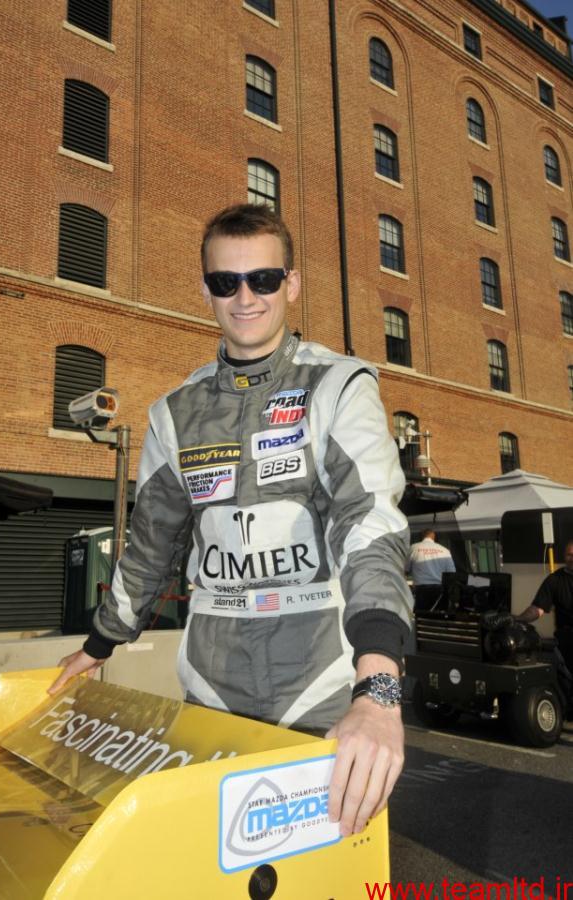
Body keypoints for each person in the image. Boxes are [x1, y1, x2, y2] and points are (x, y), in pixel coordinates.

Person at [49, 203, 413, 837]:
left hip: (321, 692)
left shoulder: (339, 387)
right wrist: (100, 642)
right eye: (226, 282)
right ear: (206, 291)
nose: (245, 297)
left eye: (264, 279)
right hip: (213, 697)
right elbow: (148, 546)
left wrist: (378, 689)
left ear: (291, 284)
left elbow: (370, 527)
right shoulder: (174, 415)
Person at [517, 539, 573, 677]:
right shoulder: (555, 580)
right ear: (564, 556)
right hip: (567, 642)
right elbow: (537, 609)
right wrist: (518, 620)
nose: (572, 558)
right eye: (569, 555)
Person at [405, 529, 456, 611]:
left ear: (422, 536)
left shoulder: (414, 548)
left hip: (421, 590)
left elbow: (405, 569)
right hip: (440, 591)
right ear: (434, 537)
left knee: (422, 616)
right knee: (438, 618)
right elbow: (452, 572)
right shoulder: (445, 550)